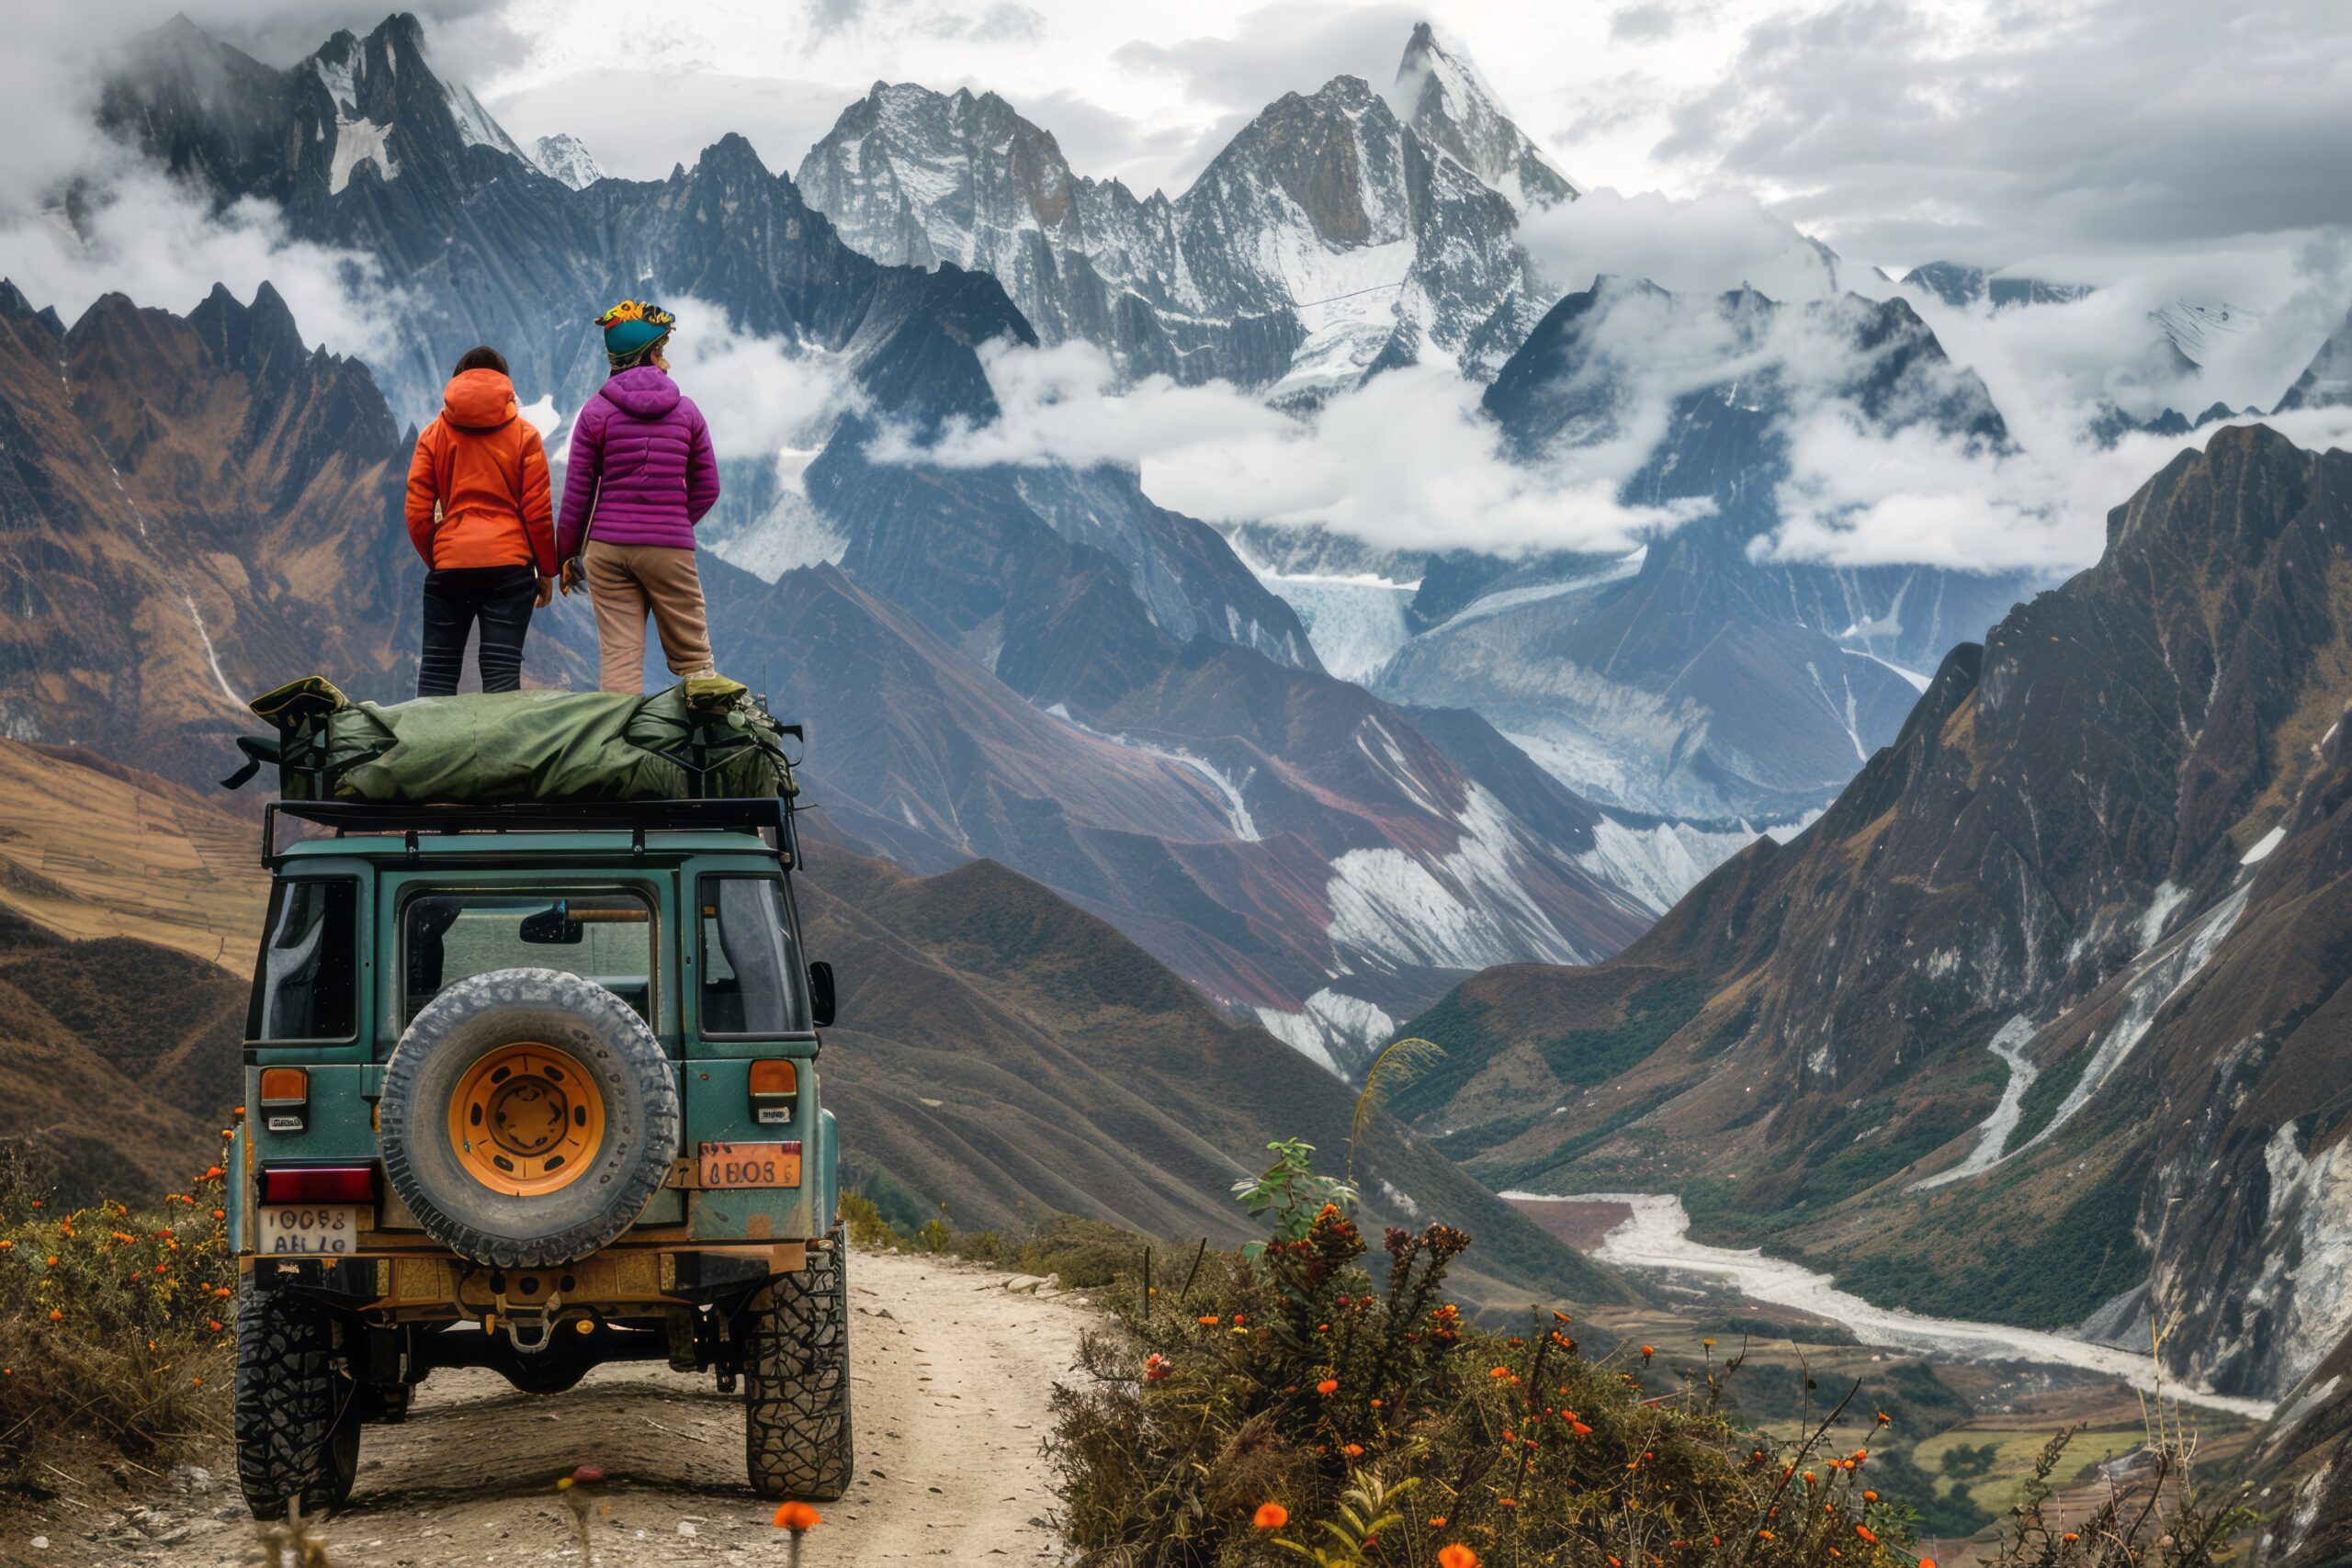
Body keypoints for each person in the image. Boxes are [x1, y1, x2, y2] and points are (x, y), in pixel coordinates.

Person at [555, 299, 721, 694]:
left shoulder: (595, 412)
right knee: (695, 660)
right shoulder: (687, 411)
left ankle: (618, 749)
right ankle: (707, 748)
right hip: (670, 549)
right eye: (661, 350)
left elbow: (578, 495)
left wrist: (563, 557)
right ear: (647, 354)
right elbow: (708, 486)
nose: (666, 360)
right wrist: (674, 522)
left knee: (620, 661)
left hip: (608, 550)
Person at [403, 345, 557, 696]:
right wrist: (546, 570)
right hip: (509, 569)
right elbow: (537, 512)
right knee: (501, 676)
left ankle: (430, 750)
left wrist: (441, 557)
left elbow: (416, 511)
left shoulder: (432, 435)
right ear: (506, 385)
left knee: (437, 674)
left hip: (450, 566)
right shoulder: (526, 436)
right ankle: (501, 752)